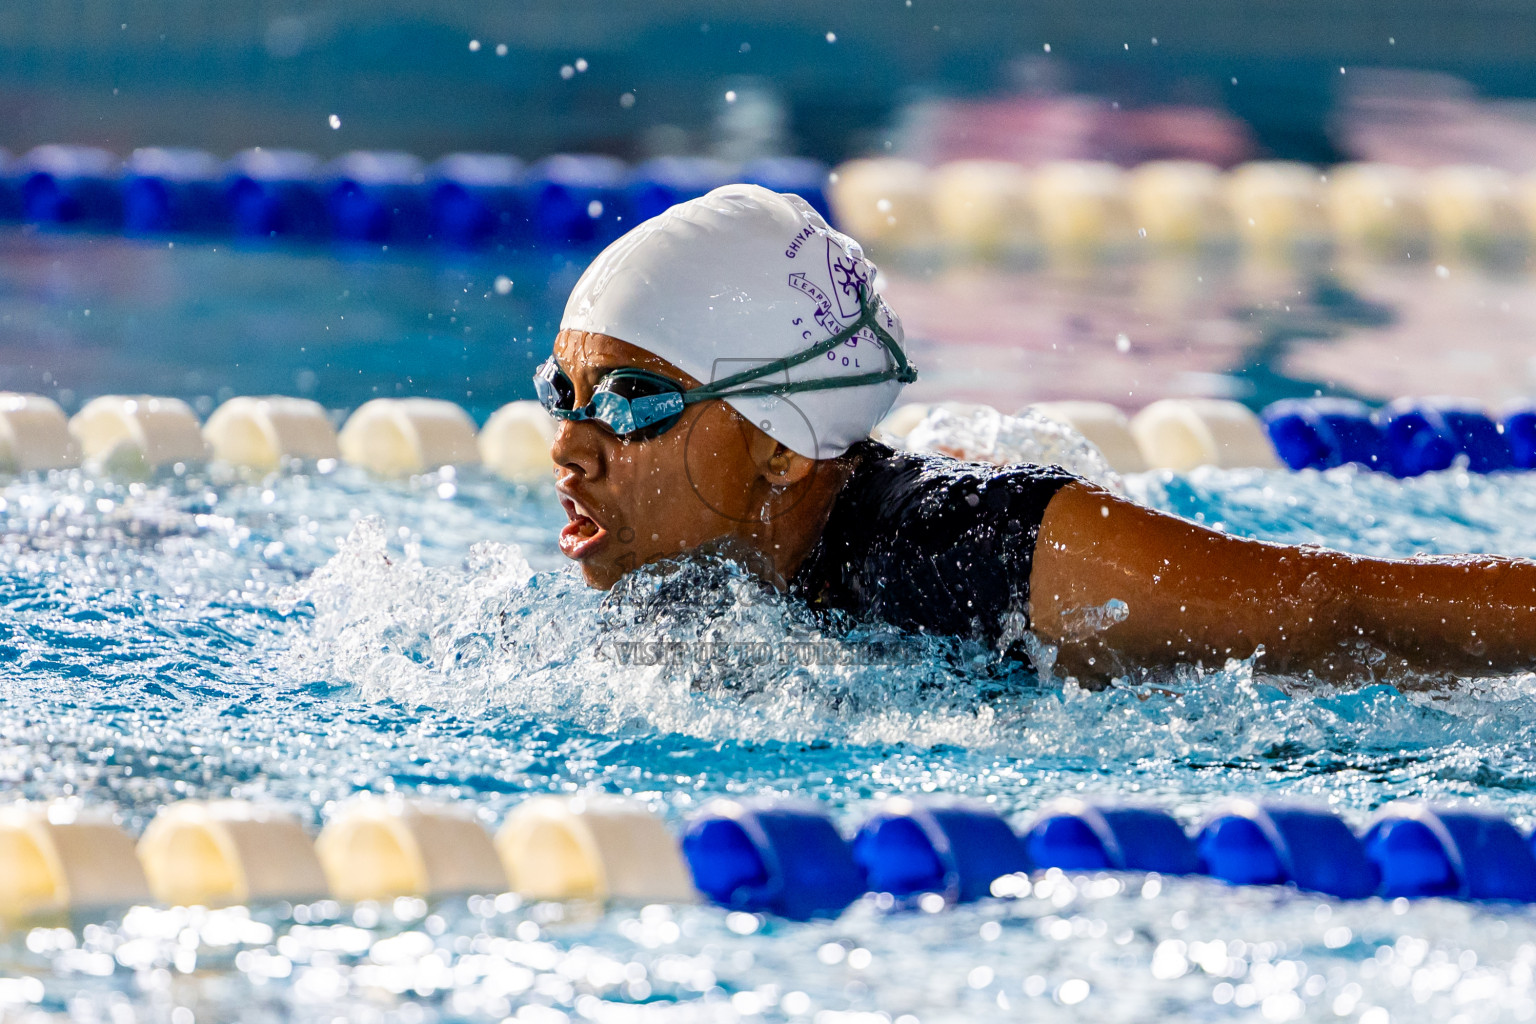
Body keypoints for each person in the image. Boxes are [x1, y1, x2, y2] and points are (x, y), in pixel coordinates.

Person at [541, 184, 1536, 687]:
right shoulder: (681, 574)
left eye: (634, 399)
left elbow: (1332, 606)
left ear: (781, 447)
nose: (572, 447)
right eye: (565, 392)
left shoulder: (987, 551)